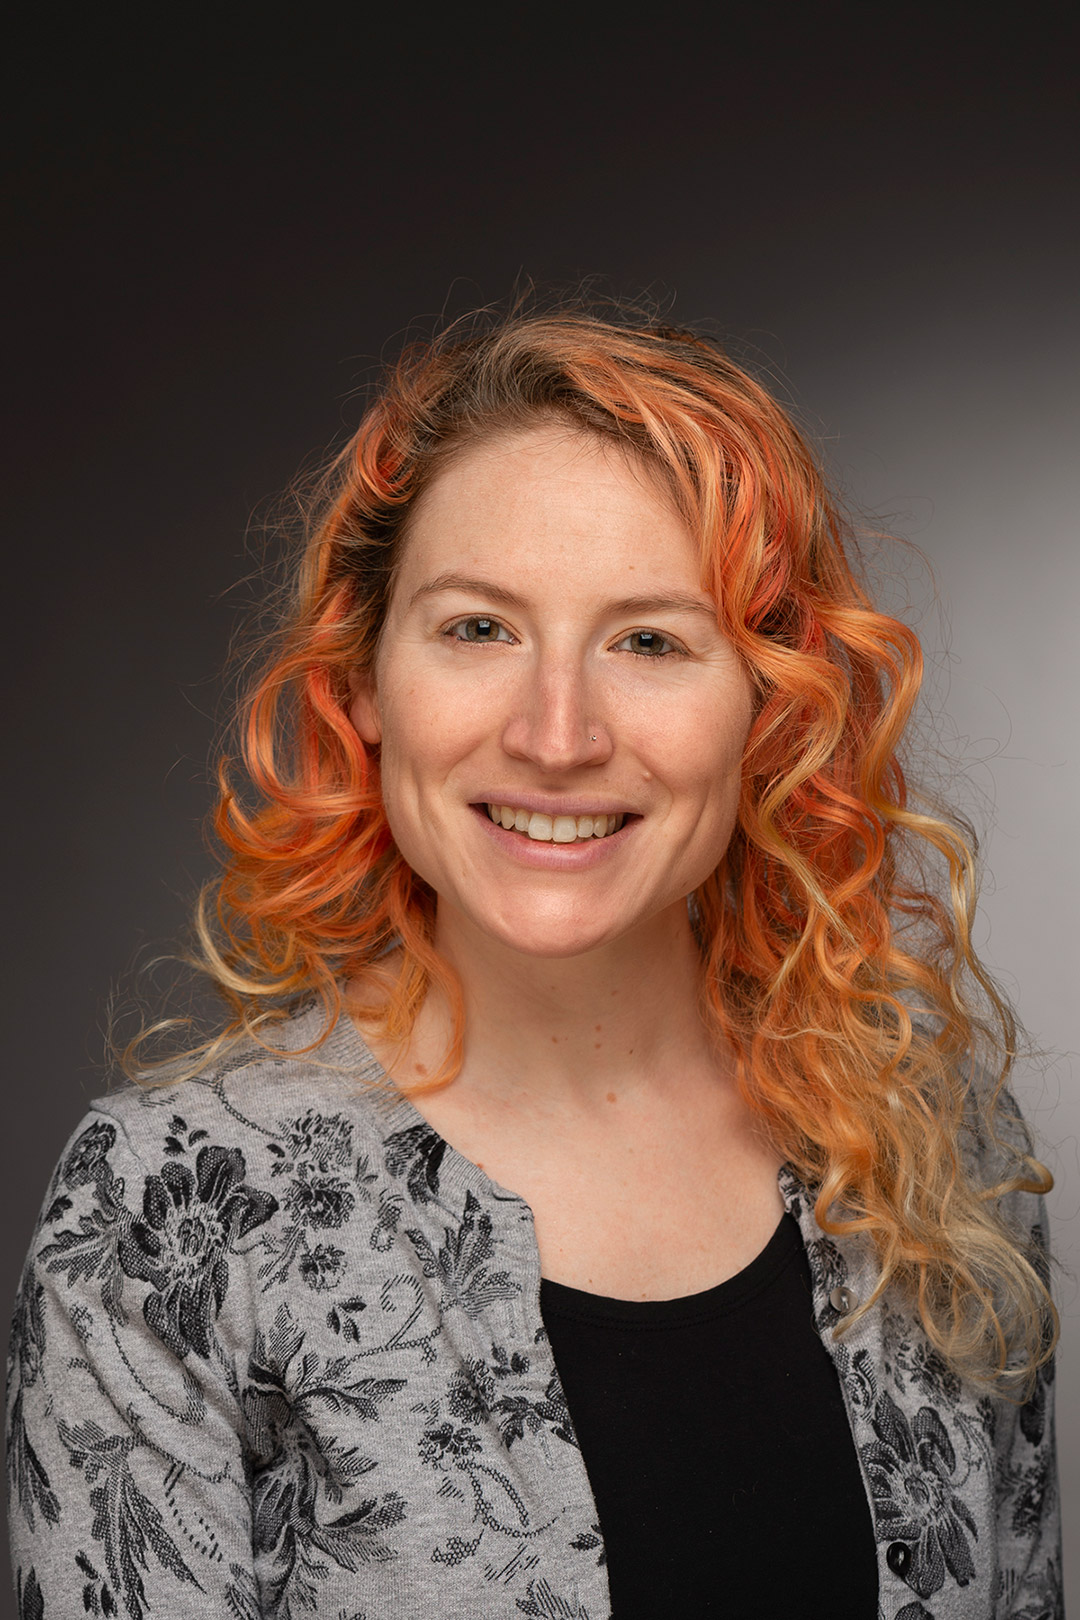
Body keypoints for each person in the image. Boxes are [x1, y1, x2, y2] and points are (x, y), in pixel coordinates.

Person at [6, 300, 1062, 1620]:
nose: (557, 734)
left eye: (651, 641)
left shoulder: (929, 1146)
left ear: (770, 710)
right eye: (478, 629)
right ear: (365, 684)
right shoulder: (171, 1214)